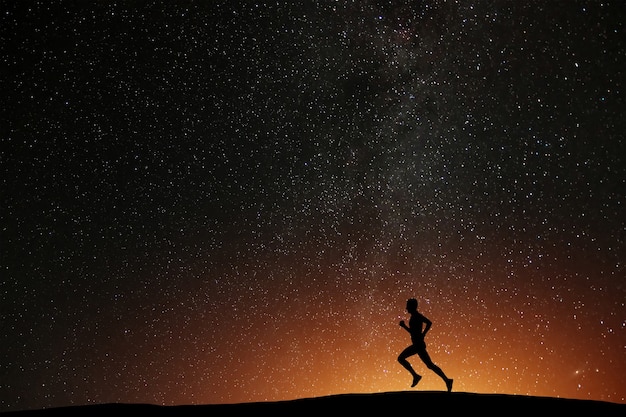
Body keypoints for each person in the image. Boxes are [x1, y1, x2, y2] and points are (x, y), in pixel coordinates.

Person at [398, 298, 453, 392]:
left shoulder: (416, 316)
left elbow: (429, 323)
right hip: (418, 344)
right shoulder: (414, 316)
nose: (406, 308)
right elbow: (413, 332)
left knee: (401, 358)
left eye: (408, 306)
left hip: (418, 345)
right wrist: (405, 327)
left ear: (412, 306)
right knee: (430, 365)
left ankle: (416, 376)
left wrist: (423, 334)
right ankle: (447, 380)